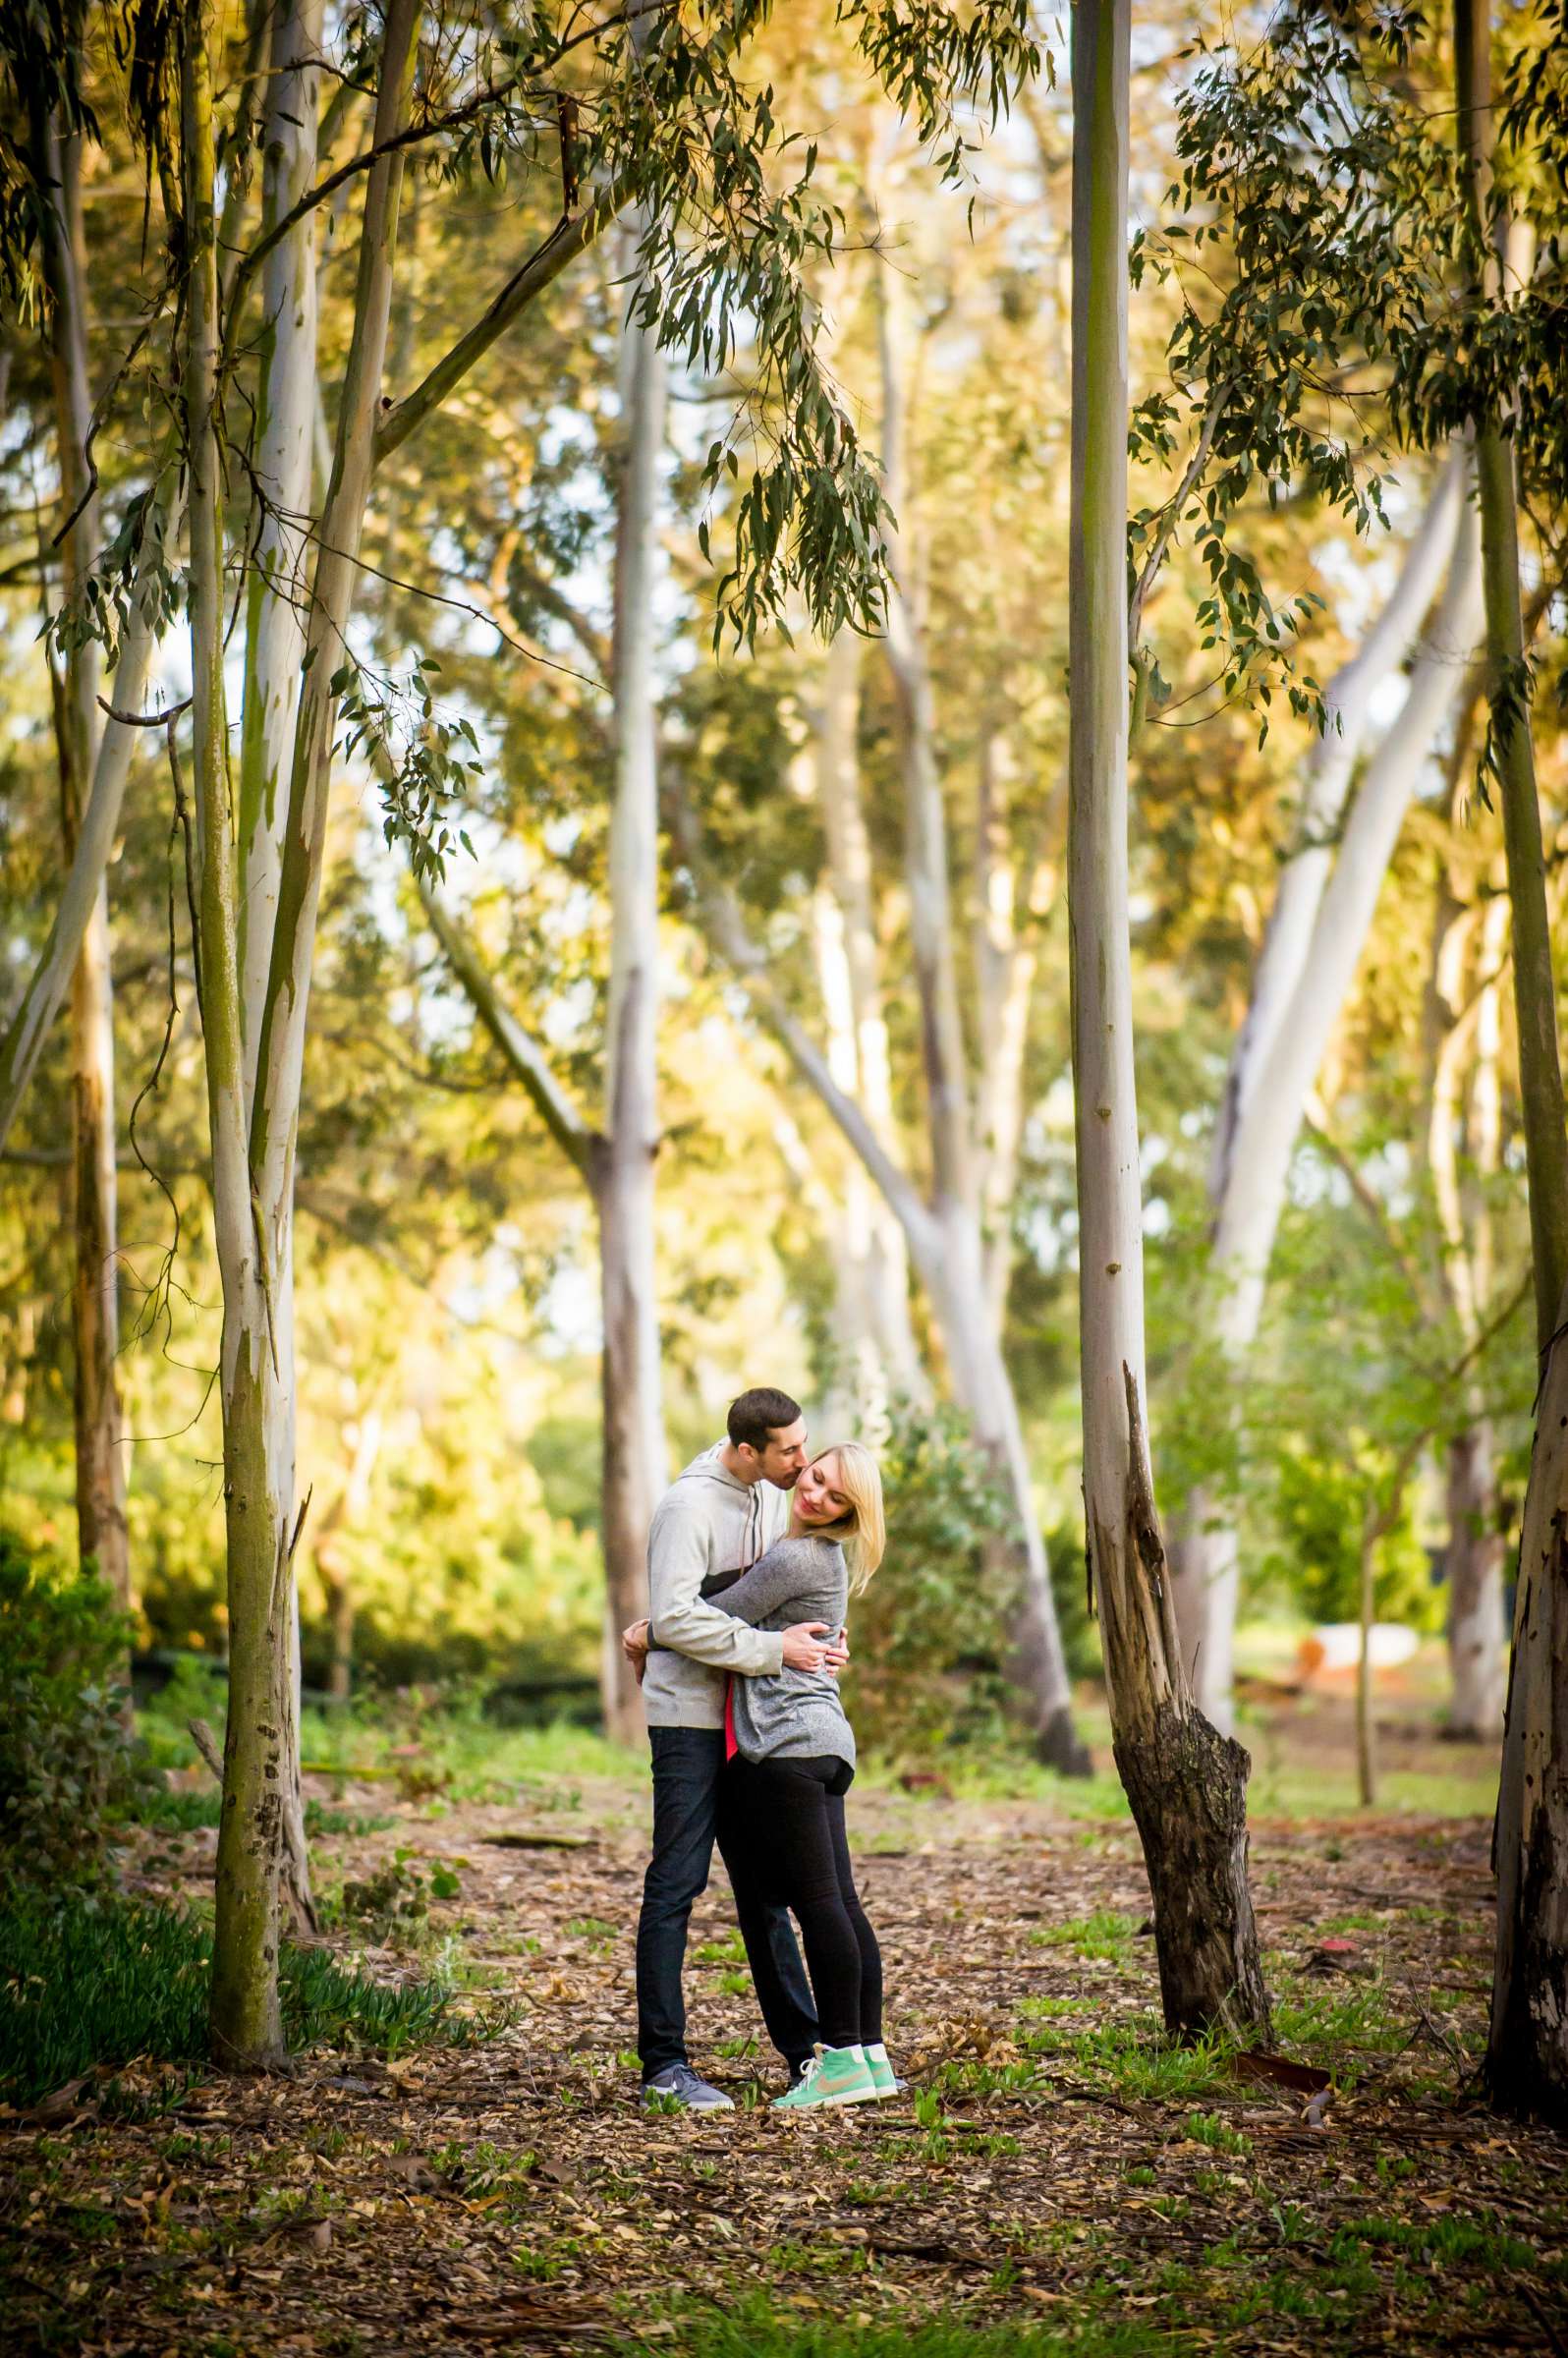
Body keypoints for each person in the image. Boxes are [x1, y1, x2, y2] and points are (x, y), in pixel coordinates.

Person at [632, 1440, 894, 2112]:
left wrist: (649, 1632)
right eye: (816, 1477)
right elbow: (744, 1595)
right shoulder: (818, 1559)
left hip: (788, 1747)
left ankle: (835, 2058)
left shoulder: (796, 1554)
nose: (815, 1494)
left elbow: (713, 1614)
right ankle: (867, 2056)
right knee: (842, 1902)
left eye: (836, 1497)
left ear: (848, 1515)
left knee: (819, 1905)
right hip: (827, 1741)